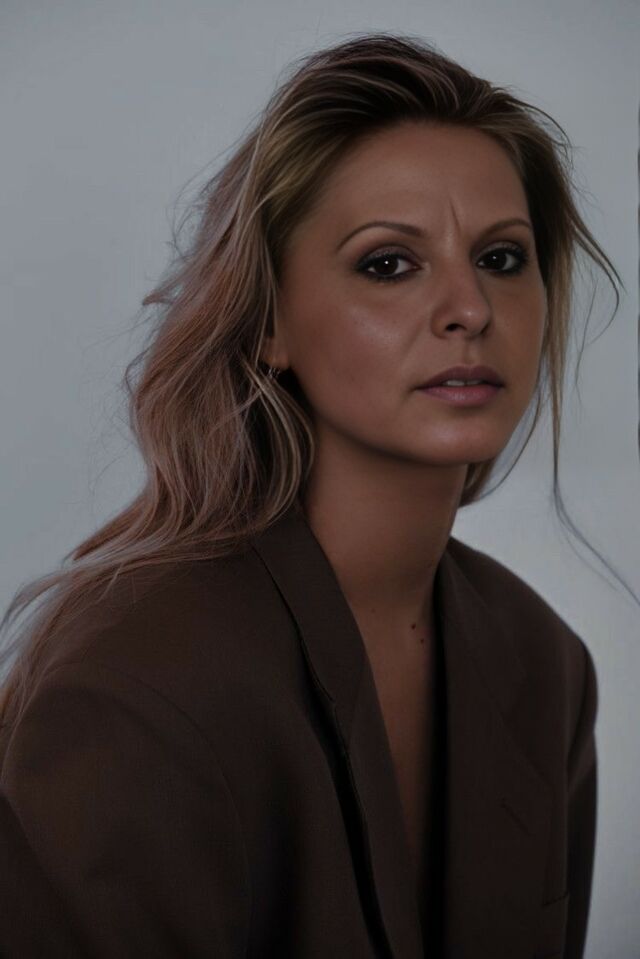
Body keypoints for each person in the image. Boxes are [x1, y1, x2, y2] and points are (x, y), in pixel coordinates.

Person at [0, 31, 623, 958]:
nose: (471, 309)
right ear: (269, 321)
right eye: (389, 263)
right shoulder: (134, 683)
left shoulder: (546, 665)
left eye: (502, 258)